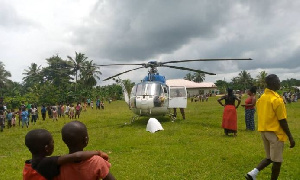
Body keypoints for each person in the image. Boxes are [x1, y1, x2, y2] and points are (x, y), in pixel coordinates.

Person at [245, 74, 296, 180]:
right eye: (278, 81)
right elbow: (282, 120)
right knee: (277, 161)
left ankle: (253, 173)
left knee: (270, 158)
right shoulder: (276, 99)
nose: (279, 83)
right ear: (273, 83)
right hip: (275, 133)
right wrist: (290, 137)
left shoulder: (261, 98)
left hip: (264, 132)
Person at [23, 129, 108, 180]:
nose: (53, 144)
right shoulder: (47, 163)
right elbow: (77, 156)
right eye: (52, 142)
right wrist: (98, 152)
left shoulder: (28, 166)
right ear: (46, 148)